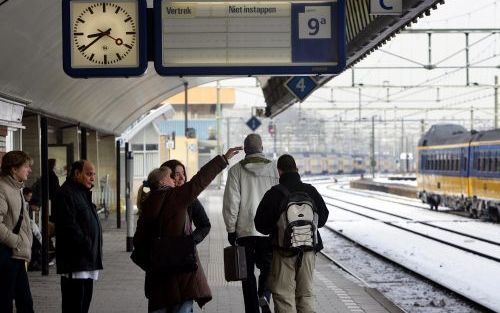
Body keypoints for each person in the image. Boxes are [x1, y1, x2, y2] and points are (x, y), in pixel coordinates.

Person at [134, 147, 241, 313]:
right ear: (162, 182)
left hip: (157, 281)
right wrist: (223, 159)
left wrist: (154, 263)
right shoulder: (175, 197)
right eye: (171, 176)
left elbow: (138, 244)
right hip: (182, 275)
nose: (176, 179)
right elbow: (200, 180)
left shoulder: (146, 205)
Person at [254, 154, 329, 313]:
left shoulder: (274, 193)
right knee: (306, 294)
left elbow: (261, 225)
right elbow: (322, 219)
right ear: (297, 169)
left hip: (283, 252)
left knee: (283, 295)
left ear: (279, 171)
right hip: (308, 251)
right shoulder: (310, 191)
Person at [222, 134, 279, 313]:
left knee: (246, 275)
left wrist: (231, 230)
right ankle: (264, 294)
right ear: (261, 148)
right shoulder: (274, 169)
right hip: (268, 231)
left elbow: (232, 203)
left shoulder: (236, 171)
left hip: (245, 231)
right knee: (268, 268)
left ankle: (252, 310)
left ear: (245, 149)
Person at [53, 160, 102, 313]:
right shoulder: (66, 193)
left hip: (87, 260)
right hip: (75, 261)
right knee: (74, 305)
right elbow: (69, 226)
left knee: (83, 305)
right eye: (88, 174)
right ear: (77, 173)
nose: (92, 178)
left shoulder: (82, 193)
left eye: (93, 174)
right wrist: (86, 243)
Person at [0, 150, 35, 313]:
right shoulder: (3, 188)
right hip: (7, 255)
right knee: (6, 302)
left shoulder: (16, 188)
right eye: (26, 166)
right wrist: (16, 241)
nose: (29, 170)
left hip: (16, 255)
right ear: (14, 169)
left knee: (25, 302)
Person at [161, 159, 211, 246]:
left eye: (183, 173)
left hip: (184, 254)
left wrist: (190, 241)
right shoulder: (156, 198)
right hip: (160, 254)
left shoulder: (191, 199)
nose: (182, 177)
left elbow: (204, 225)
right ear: (167, 177)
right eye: (177, 174)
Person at [22, 187, 42, 271]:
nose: (30, 198)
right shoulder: (24, 204)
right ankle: (34, 262)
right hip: (24, 230)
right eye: (29, 196)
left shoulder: (26, 204)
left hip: (27, 229)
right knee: (35, 243)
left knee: (36, 243)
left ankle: (36, 261)